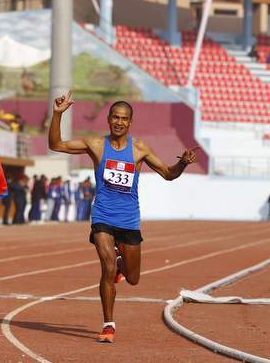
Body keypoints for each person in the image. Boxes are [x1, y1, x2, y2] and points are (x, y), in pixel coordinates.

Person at [49, 92, 199, 343]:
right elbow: (56, 145)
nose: (119, 122)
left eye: (124, 119)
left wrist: (182, 164)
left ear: (130, 122)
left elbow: (167, 174)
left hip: (128, 219)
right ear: (108, 120)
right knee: (106, 268)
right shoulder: (96, 145)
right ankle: (108, 324)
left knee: (133, 279)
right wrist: (57, 114)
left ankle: (122, 266)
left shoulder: (139, 149)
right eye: (115, 117)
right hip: (103, 216)